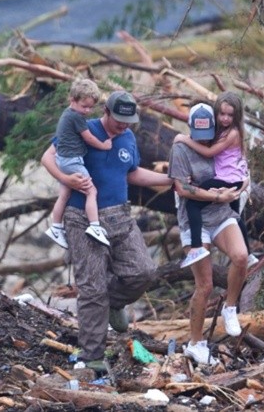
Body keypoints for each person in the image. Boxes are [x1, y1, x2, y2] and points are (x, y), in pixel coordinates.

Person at [40, 90, 174, 368]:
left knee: (144, 271)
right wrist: (67, 179)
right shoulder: (82, 127)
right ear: (106, 111)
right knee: (92, 289)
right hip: (81, 217)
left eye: (129, 120)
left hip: (120, 216)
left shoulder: (127, 137)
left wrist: (168, 178)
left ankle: (112, 303)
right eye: (119, 119)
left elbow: (131, 172)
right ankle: (92, 358)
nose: (123, 125)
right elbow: (47, 157)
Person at [169, 102, 249, 366]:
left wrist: (242, 182)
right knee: (205, 284)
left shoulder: (222, 138)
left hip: (221, 214)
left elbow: (237, 164)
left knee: (241, 256)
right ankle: (196, 343)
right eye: (197, 135)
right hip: (195, 221)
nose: (203, 140)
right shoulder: (180, 149)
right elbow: (181, 188)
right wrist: (216, 194)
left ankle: (230, 307)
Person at [173, 92, 254, 268]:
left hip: (229, 180)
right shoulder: (224, 132)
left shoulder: (232, 133)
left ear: (237, 115)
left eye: (230, 115)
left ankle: (196, 247)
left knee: (192, 204)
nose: (225, 118)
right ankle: (249, 255)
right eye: (222, 114)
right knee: (235, 214)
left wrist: (184, 139)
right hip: (234, 179)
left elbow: (209, 153)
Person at [45, 79, 113, 249]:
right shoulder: (77, 117)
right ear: (72, 99)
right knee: (91, 191)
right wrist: (104, 145)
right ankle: (95, 226)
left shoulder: (68, 114)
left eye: (90, 107)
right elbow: (88, 138)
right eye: (84, 106)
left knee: (64, 194)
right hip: (71, 160)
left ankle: (55, 226)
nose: (87, 111)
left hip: (62, 159)